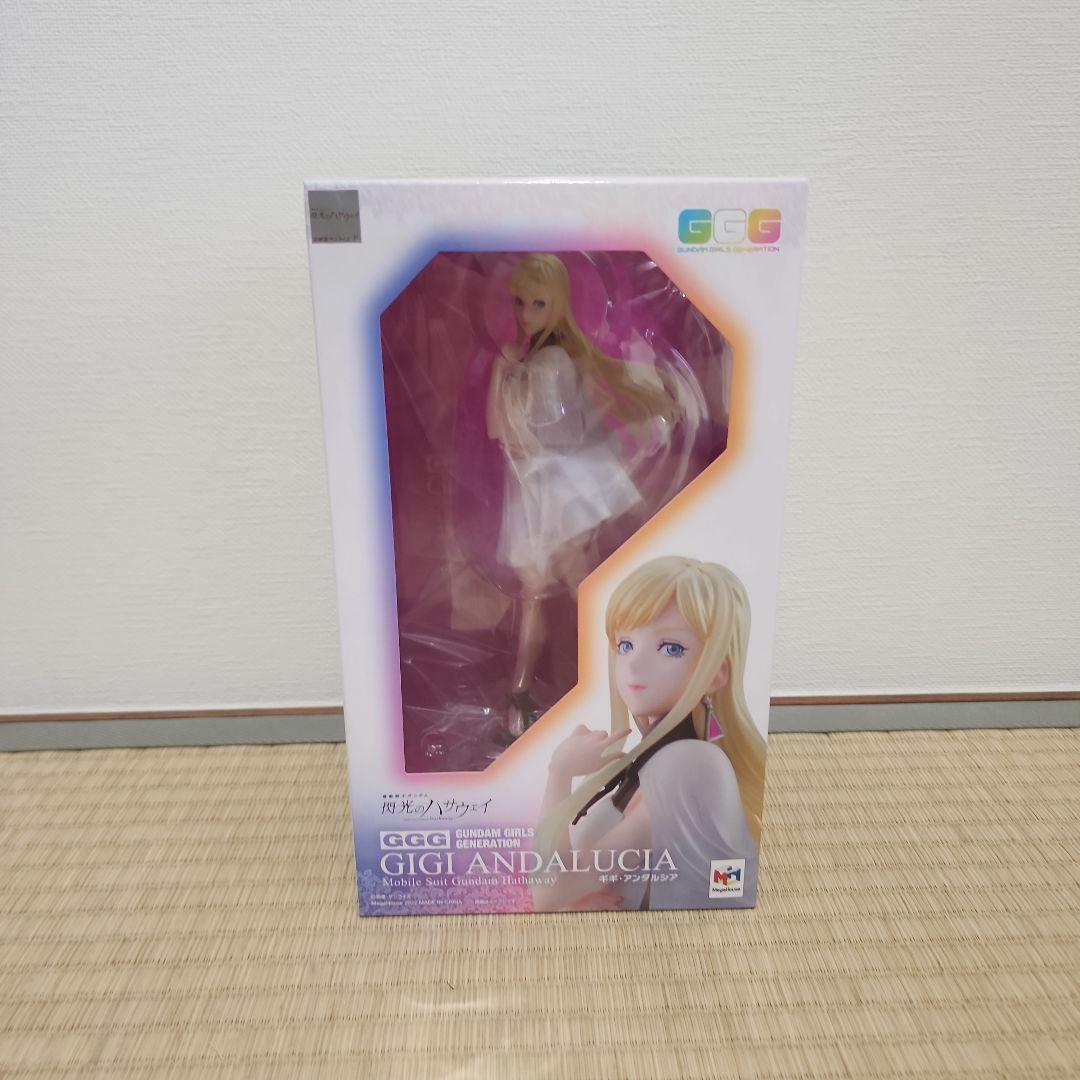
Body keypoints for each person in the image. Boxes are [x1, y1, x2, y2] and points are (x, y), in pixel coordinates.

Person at [486, 255, 674, 738]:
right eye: (520, 303)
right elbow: (505, 432)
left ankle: (624, 681)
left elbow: (536, 433)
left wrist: (506, 374)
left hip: (557, 491)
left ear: (558, 305)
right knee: (548, 593)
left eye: (538, 304)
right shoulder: (538, 358)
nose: (526, 314)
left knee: (577, 588)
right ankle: (526, 695)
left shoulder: (548, 362)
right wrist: (505, 370)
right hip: (540, 490)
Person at [531, 556, 765, 911]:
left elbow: (549, 893)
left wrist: (559, 772)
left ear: (716, 674)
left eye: (671, 648)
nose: (634, 664)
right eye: (625, 645)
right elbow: (557, 892)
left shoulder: (687, 763)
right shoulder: (649, 763)